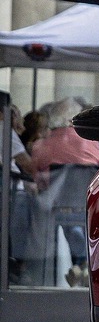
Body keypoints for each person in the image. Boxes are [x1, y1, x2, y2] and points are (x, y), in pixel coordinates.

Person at [30, 97, 99, 287]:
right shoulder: (91, 144)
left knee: (61, 218)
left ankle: (70, 265)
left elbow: (37, 180)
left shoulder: (41, 146)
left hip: (55, 209)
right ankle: (83, 262)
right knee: (76, 223)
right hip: (88, 206)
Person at [1, 104, 36, 285]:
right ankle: (21, 265)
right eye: (15, 115)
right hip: (11, 191)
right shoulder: (3, 129)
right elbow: (28, 164)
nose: (17, 119)